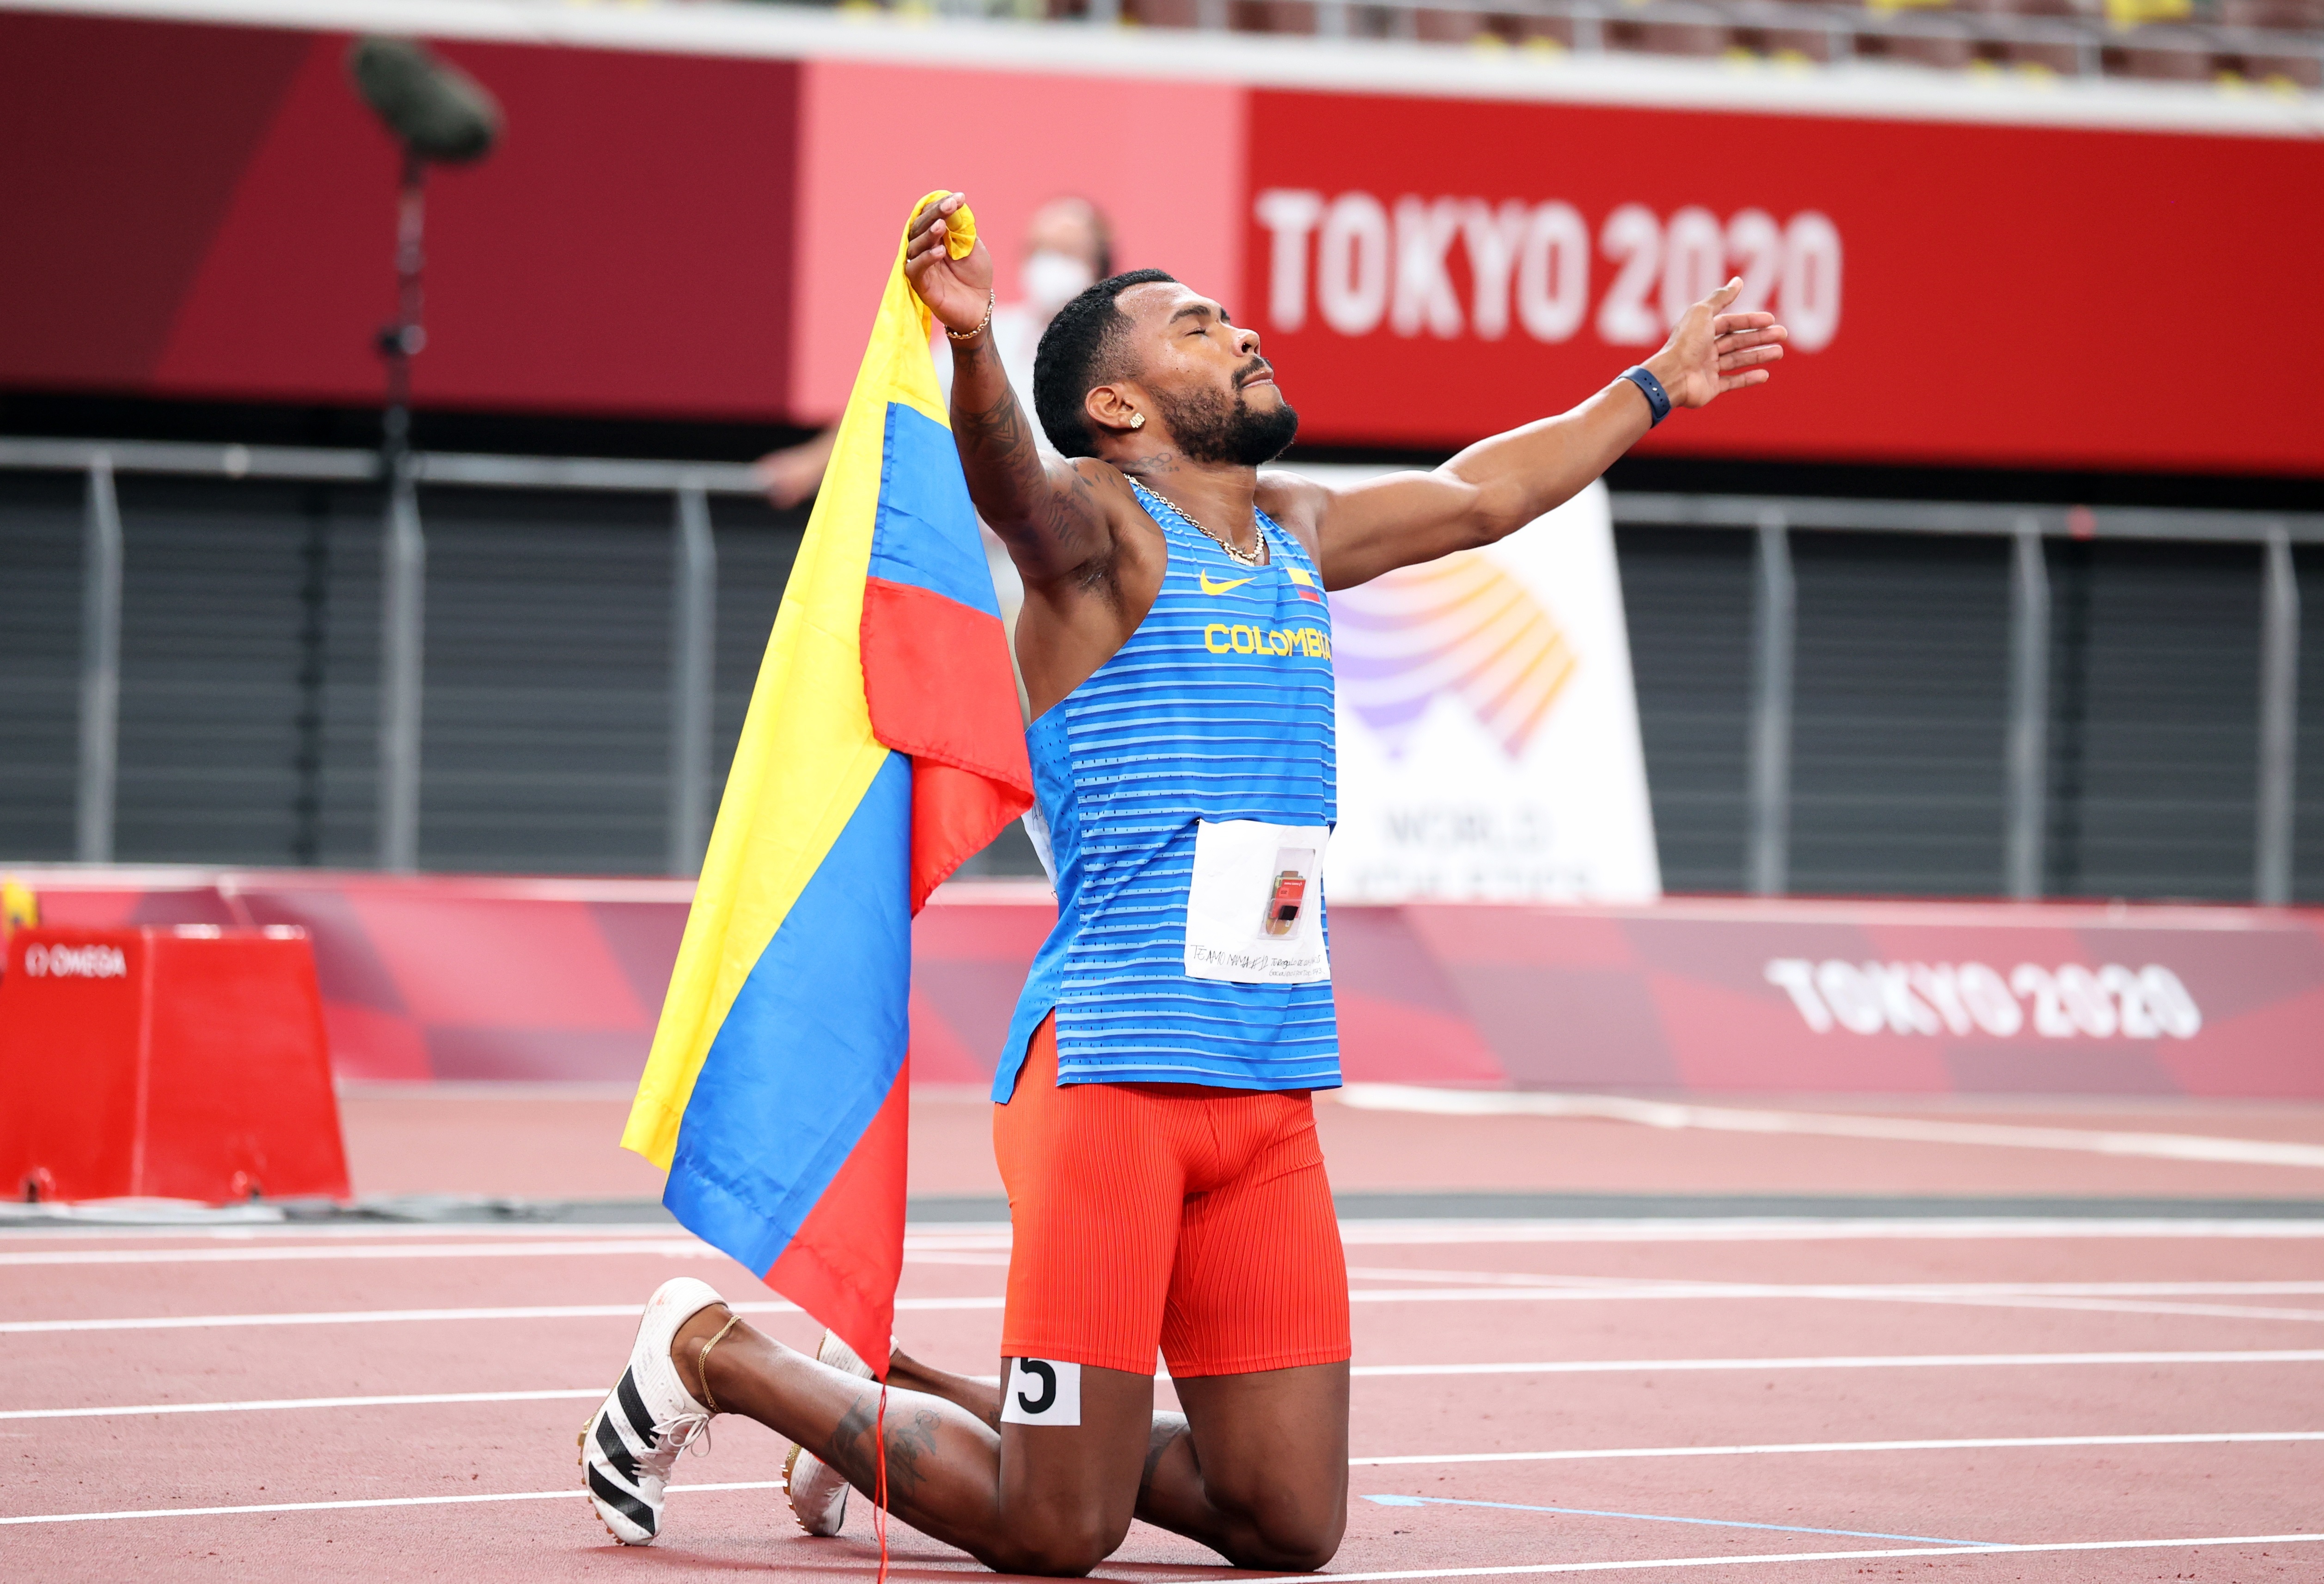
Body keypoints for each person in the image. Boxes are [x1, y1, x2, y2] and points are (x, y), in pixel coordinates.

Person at [581, 190, 1784, 1572]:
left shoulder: (1298, 531)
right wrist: (973, 347)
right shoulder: (1099, 540)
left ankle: (901, 1391)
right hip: (1113, 1084)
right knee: (1059, 1527)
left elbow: (1481, 497)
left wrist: (1654, 385)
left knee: (1288, 1519)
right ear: (1117, 406)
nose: (1243, 332)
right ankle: (714, 1347)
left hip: (1265, 1089)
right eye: (1201, 328)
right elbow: (1009, 490)